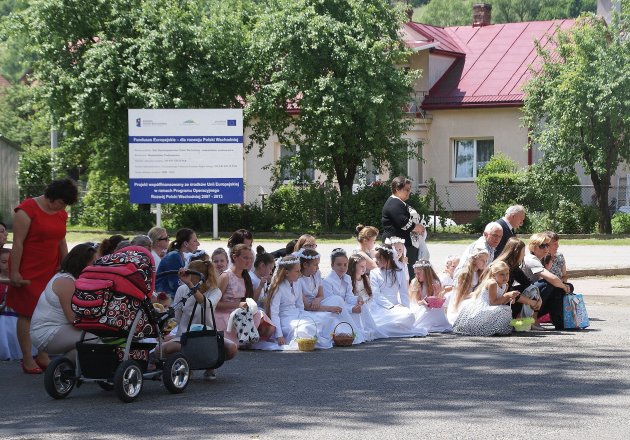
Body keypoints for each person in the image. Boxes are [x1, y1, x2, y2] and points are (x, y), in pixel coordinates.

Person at [6, 177, 79, 374]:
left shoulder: (60, 213)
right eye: (62, 202)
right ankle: (28, 359)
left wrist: (67, 268)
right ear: (52, 197)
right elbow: (17, 243)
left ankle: (43, 355)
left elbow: (61, 241)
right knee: (28, 313)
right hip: (28, 269)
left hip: (51, 269)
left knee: (50, 312)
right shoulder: (27, 210)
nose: (63, 207)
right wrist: (15, 272)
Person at [163, 260, 237, 379]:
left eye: (190, 275)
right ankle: (187, 365)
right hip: (185, 337)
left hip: (207, 336)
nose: (188, 278)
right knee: (161, 349)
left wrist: (191, 286)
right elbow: (176, 317)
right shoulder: (182, 290)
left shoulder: (215, 292)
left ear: (200, 277)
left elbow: (206, 305)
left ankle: (210, 364)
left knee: (231, 348)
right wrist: (167, 332)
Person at [29, 243, 97, 367]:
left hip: (52, 330)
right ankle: (64, 367)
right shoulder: (66, 282)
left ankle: (63, 367)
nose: (96, 266)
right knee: (94, 338)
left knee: (89, 340)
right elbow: (72, 318)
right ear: (82, 263)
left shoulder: (67, 278)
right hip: (46, 333)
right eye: (93, 262)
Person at [215, 244, 275, 345]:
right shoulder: (226, 276)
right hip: (225, 315)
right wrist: (238, 305)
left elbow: (251, 300)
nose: (249, 261)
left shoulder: (245, 276)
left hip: (241, 312)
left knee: (266, 323)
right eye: (245, 258)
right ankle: (240, 339)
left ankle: (247, 339)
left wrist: (260, 287)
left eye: (251, 258)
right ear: (234, 257)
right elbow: (215, 304)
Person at [369, 244, 427, 338]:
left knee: (409, 316)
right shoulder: (374, 273)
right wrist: (391, 307)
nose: (376, 261)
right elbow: (376, 294)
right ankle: (387, 328)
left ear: (387, 258)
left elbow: (404, 292)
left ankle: (390, 328)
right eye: (376, 258)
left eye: (379, 258)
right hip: (380, 306)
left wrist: (406, 308)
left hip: (397, 306)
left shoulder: (399, 271)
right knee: (379, 324)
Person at [453, 261, 517, 336]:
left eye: (507, 274)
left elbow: (500, 301)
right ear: (494, 275)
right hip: (483, 307)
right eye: (502, 274)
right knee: (502, 310)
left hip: (492, 306)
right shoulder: (492, 283)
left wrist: (509, 299)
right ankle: (485, 328)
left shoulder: (505, 285)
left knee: (505, 309)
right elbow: (493, 303)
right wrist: (507, 295)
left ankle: (494, 329)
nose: (505, 277)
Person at [381, 176, 428, 279]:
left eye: (410, 189)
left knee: (407, 274)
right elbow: (404, 222)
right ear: (397, 189)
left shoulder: (399, 202)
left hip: (404, 245)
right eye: (406, 189)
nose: (409, 192)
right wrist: (417, 227)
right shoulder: (394, 203)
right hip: (396, 246)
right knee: (402, 275)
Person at [522, 233, 571, 330]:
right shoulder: (531, 259)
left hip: (533, 294)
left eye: (547, 245)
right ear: (533, 247)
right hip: (524, 297)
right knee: (549, 284)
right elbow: (552, 278)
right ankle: (534, 318)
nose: (545, 248)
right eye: (542, 246)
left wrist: (564, 286)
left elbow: (561, 277)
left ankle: (559, 320)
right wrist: (564, 287)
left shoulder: (541, 259)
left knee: (562, 287)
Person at [493, 238, 543, 323]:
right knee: (518, 292)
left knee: (537, 286)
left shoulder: (513, 265)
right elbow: (507, 290)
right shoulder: (503, 265)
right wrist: (531, 302)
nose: (524, 255)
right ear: (516, 252)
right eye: (523, 252)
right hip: (498, 300)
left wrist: (539, 298)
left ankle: (530, 318)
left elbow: (527, 282)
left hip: (508, 297)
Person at [322, 249, 366, 344]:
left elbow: (349, 296)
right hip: (333, 311)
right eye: (339, 265)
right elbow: (333, 303)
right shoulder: (327, 281)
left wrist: (357, 299)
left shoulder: (347, 278)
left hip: (344, 307)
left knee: (361, 305)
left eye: (345, 265)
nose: (342, 267)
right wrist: (351, 309)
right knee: (348, 309)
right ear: (332, 265)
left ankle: (364, 328)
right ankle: (351, 332)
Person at [346, 254, 384, 341]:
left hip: (367, 305)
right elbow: (350, 297)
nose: (364, 268)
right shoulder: (350, 280)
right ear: (353, 267)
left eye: (365, 266)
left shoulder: (365, 278)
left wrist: (367, 303)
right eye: (361, 266)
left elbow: (370, 294)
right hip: (358, 306)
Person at [447, 249, 489, 325]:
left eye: (486, 261)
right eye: (482, 260)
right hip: (461, 299)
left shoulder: (478, 272)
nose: (485, 263)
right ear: (475, 260)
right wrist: (476, 294)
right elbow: (461, 295)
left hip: (469, 296)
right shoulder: (466, 273)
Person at [408, 260, 452, 333]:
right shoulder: (416, 283)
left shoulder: (435, 282)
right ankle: (426, 324)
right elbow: (418, 301)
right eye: (415, 273)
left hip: (432, 304)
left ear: (426, 273)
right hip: (420, 305)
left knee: (437, 308)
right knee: (425, 309)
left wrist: (437, 293)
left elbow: (437, 297)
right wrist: (423, 301)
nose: (416, 276)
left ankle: (437, 324)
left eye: (418, 273)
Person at [156, 228, 200, 298]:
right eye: (195, 241)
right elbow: (174, 285)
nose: (198, 244)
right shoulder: (174, 256)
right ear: (186, 243)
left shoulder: (180, 256)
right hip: (165, 298)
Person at [1, 248, 22, 360]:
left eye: (10, 262)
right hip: (3, 320)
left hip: (16, 318)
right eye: (4, 262)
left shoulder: (19, 281)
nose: (7, 265)